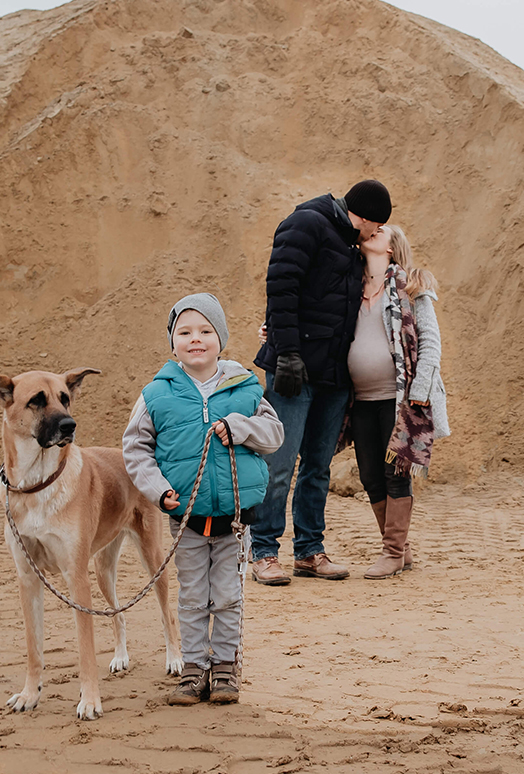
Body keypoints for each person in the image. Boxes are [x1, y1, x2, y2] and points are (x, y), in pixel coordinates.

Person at [122, 293, 284, 705]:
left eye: (206, 331)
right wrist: (159, 491)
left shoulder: (245, 388)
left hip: (235, 519)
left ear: (221, 339)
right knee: (193, 595)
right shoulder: (156, 394)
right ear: (173, 342)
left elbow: (275, 436)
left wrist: (241, 427)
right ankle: (194, 669)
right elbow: (135, 449)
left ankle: (226, 667)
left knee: (228, 594)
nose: (196, 339)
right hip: (187, 517)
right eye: (185, 332)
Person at [252, 180, 393, 585]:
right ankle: (263, 551)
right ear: (365, 216)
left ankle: (309, 551)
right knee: (278, 463)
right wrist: (287, 353)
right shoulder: (307, 224)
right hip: (294, 371)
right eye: (377, 224)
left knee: (317, 467)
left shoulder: (351, 245)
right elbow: (281, 287)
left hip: (334, 376)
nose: (376, 233)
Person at [342, 224, 450, 579]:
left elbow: (430, 343)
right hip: (360, 399)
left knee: (395, 474)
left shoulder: (412, 285)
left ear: (392, 248)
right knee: (371, 476)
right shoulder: (349, 288)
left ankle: (391, 552)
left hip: (400, 400)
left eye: (383, 230)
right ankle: (401, 550)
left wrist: (419, 392)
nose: (374, 230)